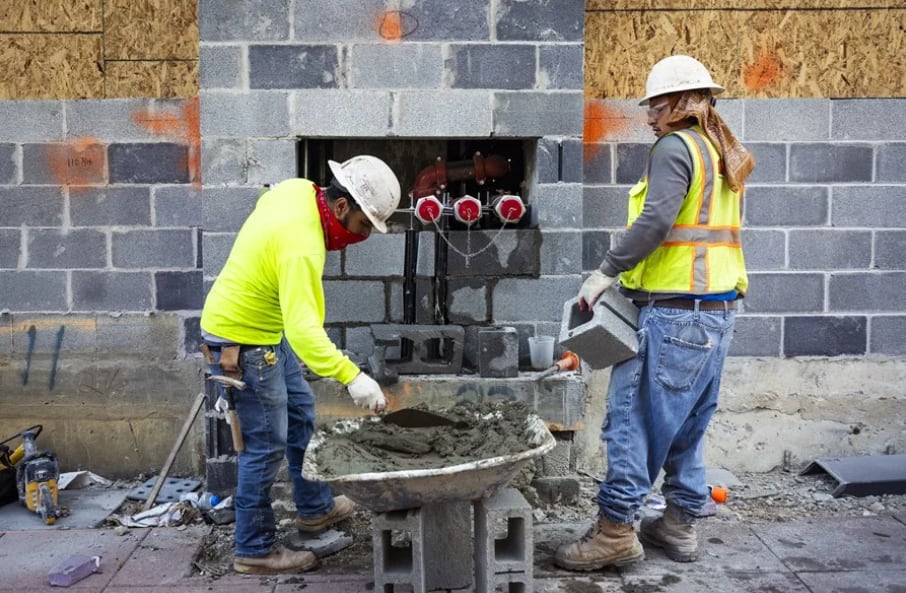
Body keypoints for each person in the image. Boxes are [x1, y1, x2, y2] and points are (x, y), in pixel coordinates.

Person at [555, 55, 755, 571]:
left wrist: (607, 271)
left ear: (683, 103)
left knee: (633, 421)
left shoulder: (675, 146)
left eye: (658, 105)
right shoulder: (718, 151)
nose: (650, 117)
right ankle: (678, 523)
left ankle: (616, 530)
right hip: (714, 313)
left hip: (673, 315)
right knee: (687, 424)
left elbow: (657, 218)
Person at [199, 155, 402, 575]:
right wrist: (354, 378)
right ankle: (254, 550)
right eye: (364, 226)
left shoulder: (297, 190)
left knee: (299, 412)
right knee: (264, 447)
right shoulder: (303, 245)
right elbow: (307, 334)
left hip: (266, 331)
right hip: (246, 343)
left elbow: (264, 202)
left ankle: (315, 509)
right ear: (341, 206)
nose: (361, 237)